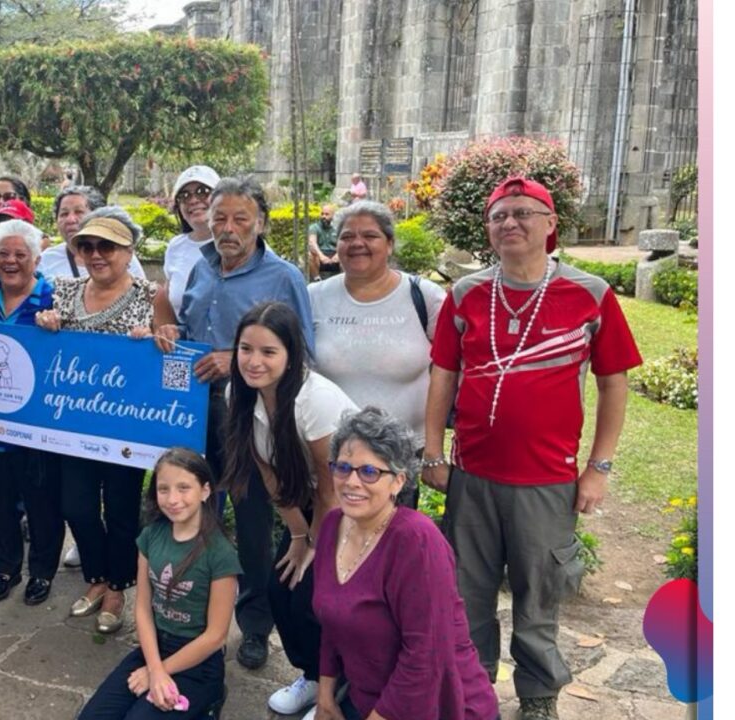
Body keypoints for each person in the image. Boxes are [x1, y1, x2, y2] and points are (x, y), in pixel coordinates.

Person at [423, 177, 642, 720]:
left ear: (550, 225)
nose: (510, 224)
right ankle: (472, 695)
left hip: (547, 481)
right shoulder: (467, 294)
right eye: (499, 216)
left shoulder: (590, 294)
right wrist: (433, 453)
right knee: (466, 597)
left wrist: (599, 467)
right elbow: (443, 375)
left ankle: (538, 698)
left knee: (537, 599)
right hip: (471, 478)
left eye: (523, 213)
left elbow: (614, 382)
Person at [155, 177, 315, 671]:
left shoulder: (283, 276)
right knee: (189, 510)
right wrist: (166, 330)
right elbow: (187, 330)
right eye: (219, 218)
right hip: (192, 412)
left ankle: (255, 623)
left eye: (240, 219)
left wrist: (237, 359)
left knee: (250, 523)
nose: (227, 229)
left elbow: (304, 351)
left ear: (260, 223)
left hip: (248, 416)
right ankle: (190, 607)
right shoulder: (201, 269)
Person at [313, 407, 499, 720]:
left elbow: (425, 657)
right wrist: (324, 694)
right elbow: (333, 619)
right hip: (364, 697)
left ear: (398, 481)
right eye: (342, 468)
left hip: (439, 705)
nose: (351, 482)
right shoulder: (333, 525)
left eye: (369, 472)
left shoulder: (416, 542)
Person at [223, 301, 354, 718]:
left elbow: (331, 486)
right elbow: (270, 475)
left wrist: (316, 544)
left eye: (268, 352)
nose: (253, 361)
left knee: (313, 597)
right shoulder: (239, 393)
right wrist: (298, 538)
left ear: (291, 353)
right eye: (246, 349)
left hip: (354, 506)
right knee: (280, 587)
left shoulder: (315, 400)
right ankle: (313, 675)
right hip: (312, 506)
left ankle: (340, 686)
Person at [35, 207, 155, 635]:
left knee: (122, 510)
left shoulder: (149, 296)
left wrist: (155, 338)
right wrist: (45, 324)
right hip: (75, 427)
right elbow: (49, 349)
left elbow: (168, 351)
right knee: (77, 506)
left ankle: (119, 585)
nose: (97, 254)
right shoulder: (64, 291)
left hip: (126, 428)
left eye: (107, 245)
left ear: (129, 250)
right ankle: (97, 577)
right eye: (87, 245)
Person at [77, 448, 240, 720]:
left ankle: (210, 700)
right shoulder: (151, 536)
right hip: (154, 651)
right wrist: (154, 668)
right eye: (164, 489)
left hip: (197, 664)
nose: (173, 499)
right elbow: (142, 608)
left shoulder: (220, 554)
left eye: (184, 488)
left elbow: (215, 637)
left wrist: (161, 672)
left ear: (205, 491)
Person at [308, 200, 445, 509]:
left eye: (369, 236)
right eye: (347, 236)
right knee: (330, 544)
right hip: (331, 458)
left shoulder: (425, 297)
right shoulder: (313, 297)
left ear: (390, 243)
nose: (357, 243)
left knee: (390, 548)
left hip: (399, 457)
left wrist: (435, 452)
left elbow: (449, 372)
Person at [0, 219, 62, 606]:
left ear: (36, 257)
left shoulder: (53, 298)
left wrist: (57, 325)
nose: (11, 261)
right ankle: (4, 567)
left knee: (42, 500)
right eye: (3, 253)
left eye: (21, 254)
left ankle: (42, 571)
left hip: (37, 426)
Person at [37, 186, 149, 283]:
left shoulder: (121, 257)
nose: (70, 219)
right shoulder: (46, 260)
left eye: (79, 212)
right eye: (64, 214)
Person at [155, 165, 219, 323]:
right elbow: (169, 310)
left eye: (203, 191)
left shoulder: (242, 245)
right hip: (182, 344)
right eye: (184, 195)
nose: (193, 200)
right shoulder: (176, 247)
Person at [306, 204, 339, 281]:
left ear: (333, 215)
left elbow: (343, 243)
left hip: (334, 253)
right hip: (320, 254)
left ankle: (344, 281)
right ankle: (317, 279)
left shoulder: (338, 228)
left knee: (346, 254)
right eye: (322, 214)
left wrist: (338, 255)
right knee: (310, 254)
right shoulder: (314, 227)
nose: (324, 216)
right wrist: (321, 256)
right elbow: (312, 242)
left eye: (327, 214)